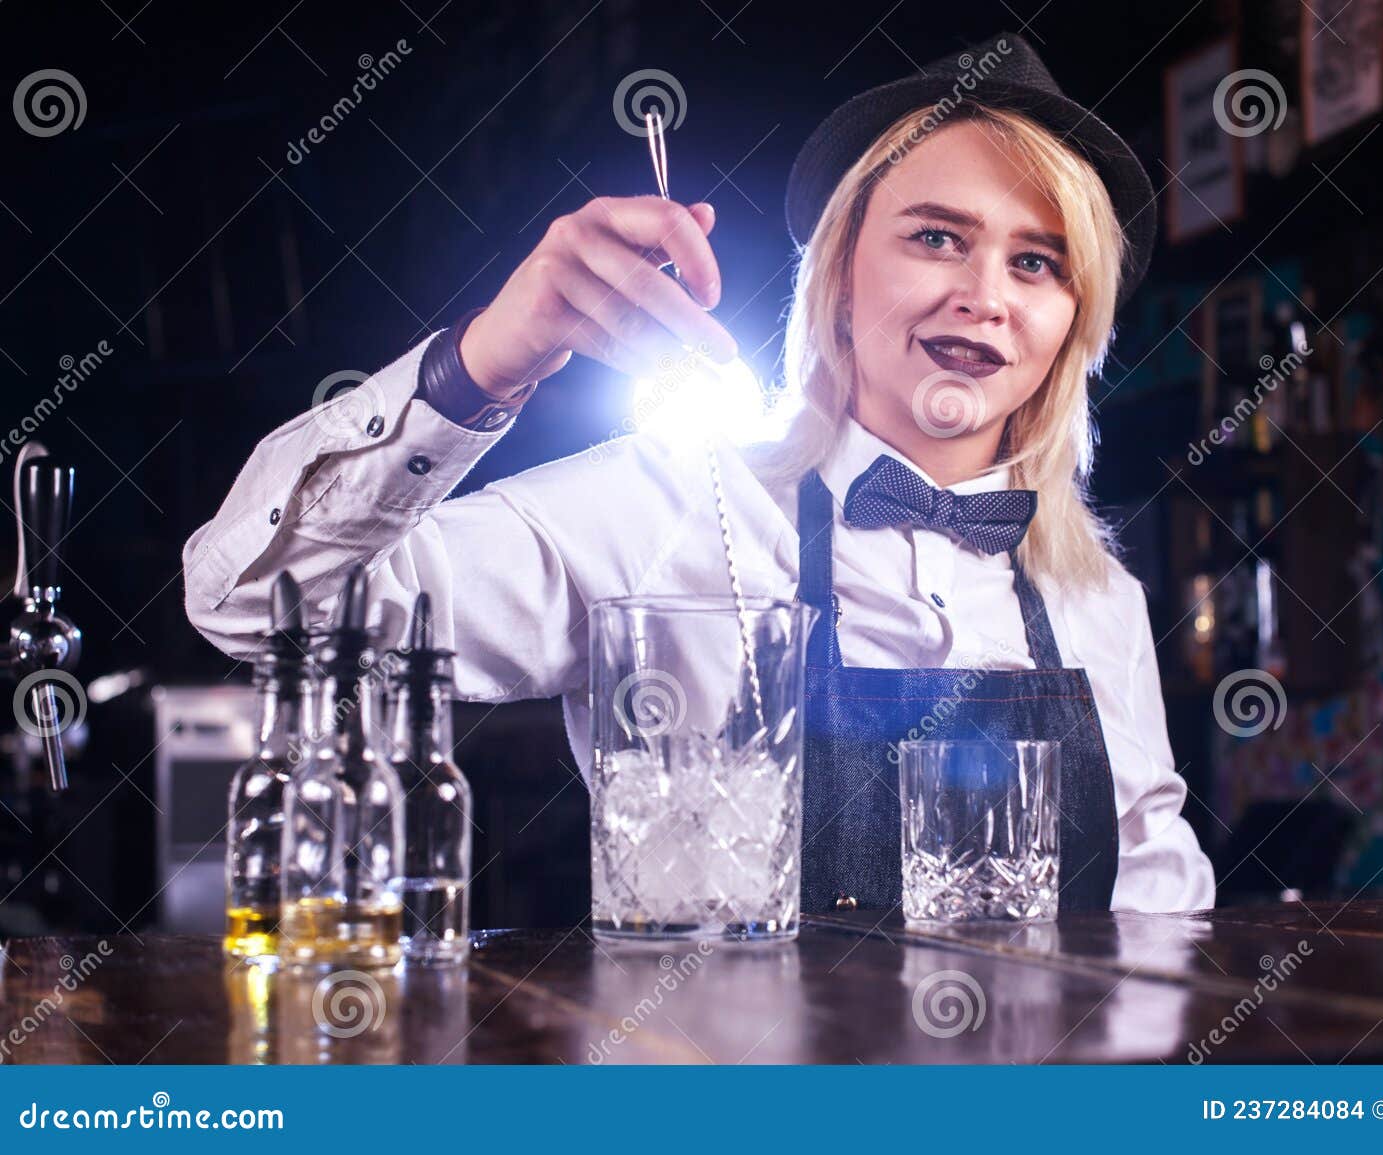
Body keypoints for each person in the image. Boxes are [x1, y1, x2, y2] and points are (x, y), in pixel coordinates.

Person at [184, 30, 1215, 914]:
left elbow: (1158, 900)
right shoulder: (662, 509)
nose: (985, 295)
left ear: (1073, 318)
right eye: (936, 238)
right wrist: (488, 358)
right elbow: (256, 603)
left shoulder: (1098, 596)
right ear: (839, 280)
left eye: (1037, 262)